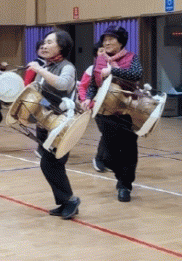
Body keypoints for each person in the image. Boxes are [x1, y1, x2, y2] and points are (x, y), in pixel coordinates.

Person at [81, 25, 142, 202]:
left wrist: (113, 70)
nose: (106, 43)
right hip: (105, 112)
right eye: (104, 40)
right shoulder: (99, 60)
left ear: (121, 42)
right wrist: (88, 98)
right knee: (108, 156)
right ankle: (122, 176)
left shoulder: (131, 57)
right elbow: (93, 84)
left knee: (129, 150)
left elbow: (136, 74)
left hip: (129, 111)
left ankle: (125, 186)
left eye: (111, 39)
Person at [27, 30, 80, 220]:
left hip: (61, 124)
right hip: (45, 123)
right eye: (44, 42)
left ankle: (70, 200)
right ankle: (66, 202)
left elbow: (63, 85)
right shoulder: (46, 67)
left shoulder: (67, 67)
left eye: (50, 42)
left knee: (50, 164)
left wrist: (39, 70)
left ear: (61, 46)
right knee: (52, 165)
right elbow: (39, 95)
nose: (44, 45)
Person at [78, 41, 107, 172]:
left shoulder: (115, 67)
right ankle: (99, 159)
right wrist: (86, 101)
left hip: (114, 106)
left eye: (106, 50)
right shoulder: (91, 70)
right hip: (98, 106)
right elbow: (83, 87)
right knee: (106, 132)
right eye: (101, 51)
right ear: (96, 54)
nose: (104, 53)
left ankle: (107, 160)